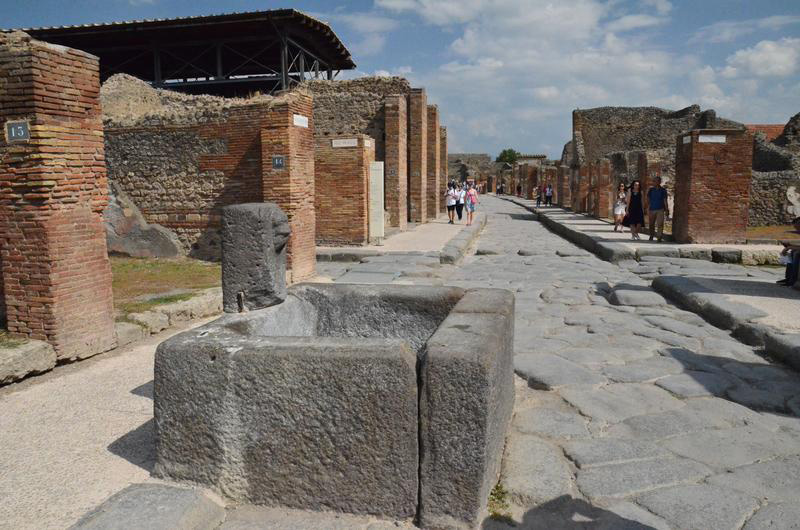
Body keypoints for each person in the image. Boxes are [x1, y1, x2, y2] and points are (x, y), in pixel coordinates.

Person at [645, 176, 669, 242]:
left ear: (659, 182)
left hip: (660, 209)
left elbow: (665, 200)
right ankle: (651, 235)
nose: (654, 182)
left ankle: (659, 237)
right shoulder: (651, 190)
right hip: (652, 209)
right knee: (651, 224)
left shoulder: (663, 190)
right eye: (654, 181)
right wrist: (646, 208)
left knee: (660, 224)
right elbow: (648, 199)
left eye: (656, 181)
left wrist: (667, 209)